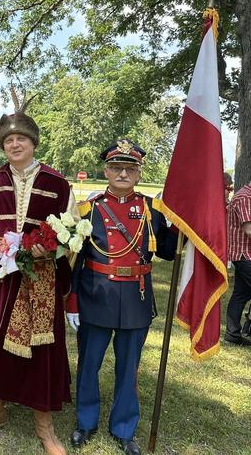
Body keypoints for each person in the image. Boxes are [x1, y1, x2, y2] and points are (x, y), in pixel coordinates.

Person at [0, 107, 77, 455]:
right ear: (3, 146)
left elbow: (72, 232)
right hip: (0, 282)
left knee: (41, 353)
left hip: (39, 282)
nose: (15, 145)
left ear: (33, 143)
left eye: (21, 139)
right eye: (9, 140)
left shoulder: (58, 184)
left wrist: (54, 251)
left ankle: (44, 426)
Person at [68, 139, 178, 455]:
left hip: (135, 299)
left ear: (139, 173)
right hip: (95, 296)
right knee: (89, 364)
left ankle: (123, 427)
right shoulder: (89, 209)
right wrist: (72, 301)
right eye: (117, 167)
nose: (122, 173)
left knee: (128, 368)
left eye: (130, 168)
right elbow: (75, 260)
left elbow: (169, 252)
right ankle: (86, 423)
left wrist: (179, 225)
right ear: (106, 170)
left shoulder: (151, 209)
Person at [224, 179, 251, 345]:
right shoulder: (245, 197)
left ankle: (232, 334)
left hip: (244, 255)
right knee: (241, 294)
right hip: (245, 255)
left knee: (241, 294)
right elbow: (249, 230)